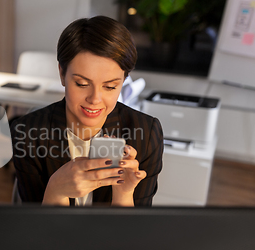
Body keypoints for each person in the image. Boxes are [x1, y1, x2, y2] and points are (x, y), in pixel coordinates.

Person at [10, 16, 163, 207]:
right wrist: (56, 190)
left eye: (110, 87)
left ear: (123, 81)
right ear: (62, 74)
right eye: (82, 84)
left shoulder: (146, 133)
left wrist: (124, 195)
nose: (95, 99)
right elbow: (37, 231)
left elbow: (132, 235)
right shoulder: (27, 132)